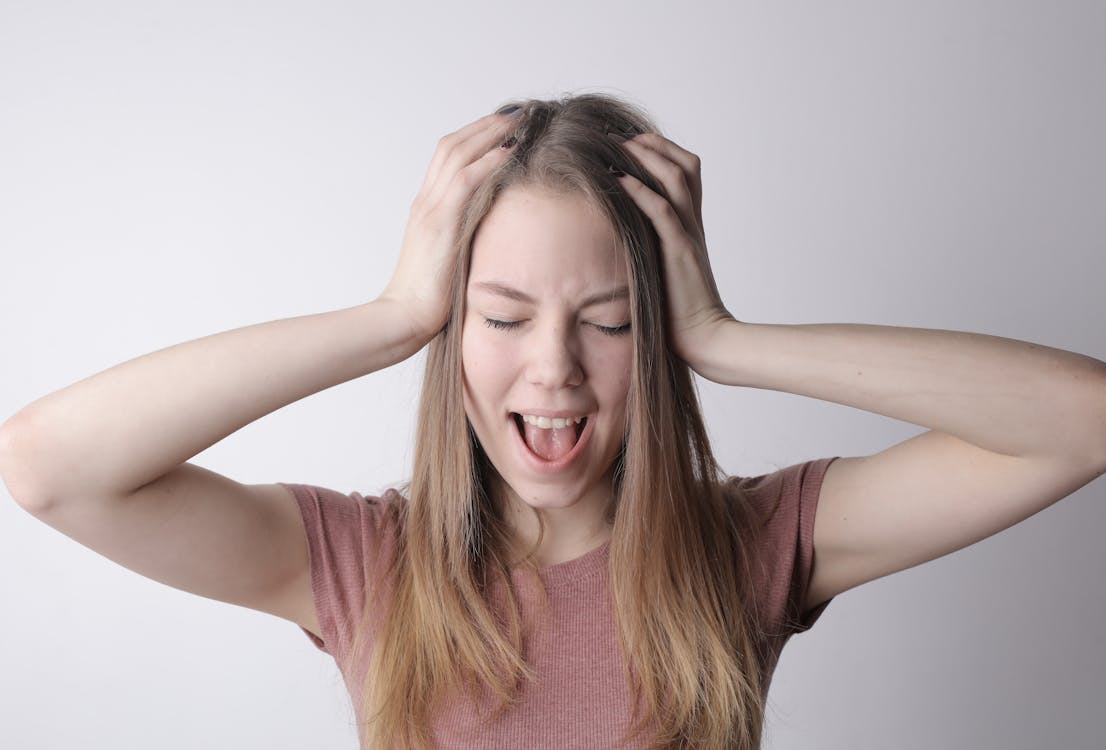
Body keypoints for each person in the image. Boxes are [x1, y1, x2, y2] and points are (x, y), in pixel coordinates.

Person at [2, 93, 1104, 750]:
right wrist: (388, 318)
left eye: (610, 322)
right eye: (500, 315)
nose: (552, 370)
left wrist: (722, 339)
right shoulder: (359, 563)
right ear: (451, 331)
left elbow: (1080, 420)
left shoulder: (748, 547)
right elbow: (48, 466)